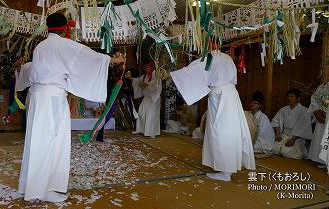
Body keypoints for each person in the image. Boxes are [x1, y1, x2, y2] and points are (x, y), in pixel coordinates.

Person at [15, 13, 124, 202]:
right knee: (54, 142)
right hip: (53, 100)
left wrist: (20, 70)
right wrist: (112, 61)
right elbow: (89, 57)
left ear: (47, 27)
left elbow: (34, 69)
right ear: (65, 28)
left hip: (37, 97)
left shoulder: (41, 46)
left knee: (37, 141)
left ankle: (31, 187)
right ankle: (48, 189)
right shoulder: (63, 44)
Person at [170, 50, 255, 182]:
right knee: (230, 131)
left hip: (220, 97)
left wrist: (177, 73)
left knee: (220, 132)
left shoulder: (210, 57)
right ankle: (228, 168)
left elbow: (194, 71)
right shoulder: (227, 57)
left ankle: (225, 172)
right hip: (231, 95)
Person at [271, 88, 312, 159]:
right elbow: (276, 121)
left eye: (291, 96)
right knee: (274, 149)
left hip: (297, 137)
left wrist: (293, 139)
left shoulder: (304, 111)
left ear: (298, 98)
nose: (289, 98)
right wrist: (277, 134)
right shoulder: (283, 109)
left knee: (286, 152)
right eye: (288, 96)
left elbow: (304, 128)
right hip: (284, 135)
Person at [126, 61, 162, 138]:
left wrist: (147, 85)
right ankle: (141, 130)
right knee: (141, 113)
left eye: (147, 67)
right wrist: (130, 78)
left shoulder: (156, 75)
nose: (146, 69)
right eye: (145, 68)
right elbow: (137, 81)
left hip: (154, 98)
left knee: (151, 115)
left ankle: (151, 132)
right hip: (147, 97)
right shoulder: (145, 76)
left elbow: (156, 85)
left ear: (151, 67)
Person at [308, 83, 329, 168]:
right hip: (321, 115)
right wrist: (316, 111)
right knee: (321, 137)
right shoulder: (322, 86)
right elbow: (314, 99)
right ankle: (323, 161)